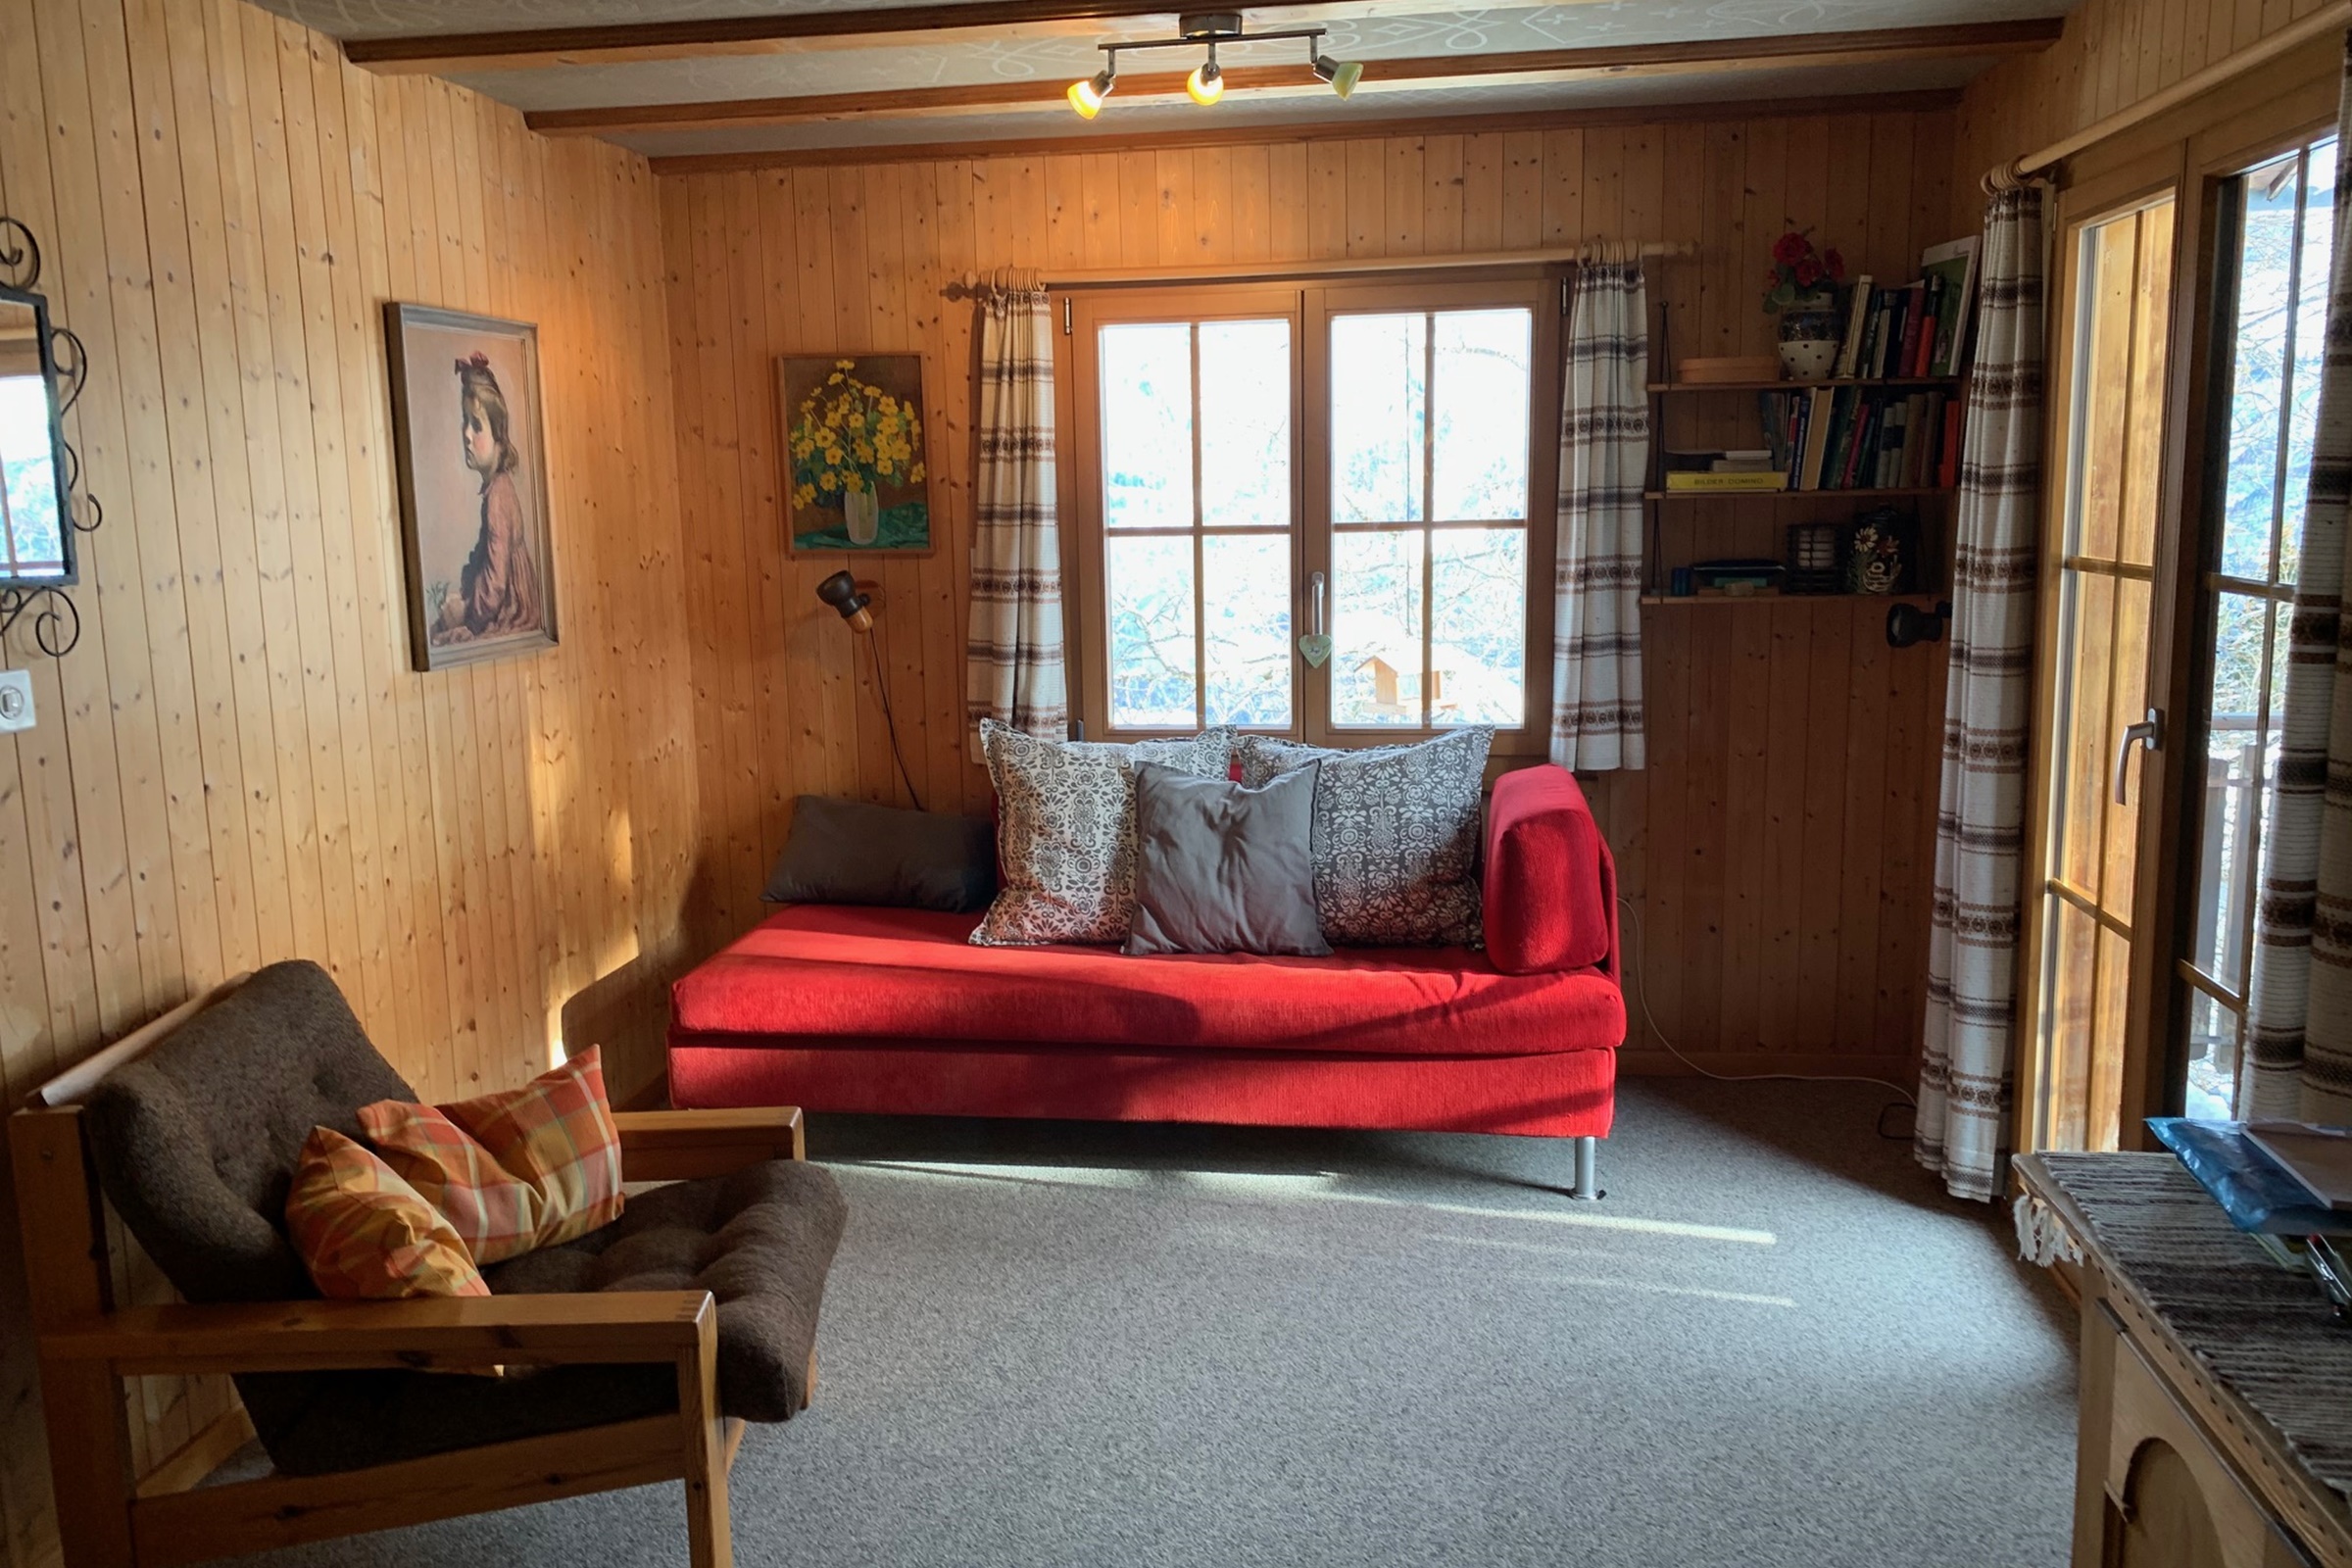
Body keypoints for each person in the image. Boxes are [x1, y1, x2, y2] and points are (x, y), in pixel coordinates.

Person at [436, 351, 543, 644]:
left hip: (509, 612)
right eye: (465, 422)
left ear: (499, 436)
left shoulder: (498, 497)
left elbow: (495, 585)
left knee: (446, 636)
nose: (466, 434)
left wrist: (466, 612)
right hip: (493, 605)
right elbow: (484, 559)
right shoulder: (497, 488)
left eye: (477, 425)